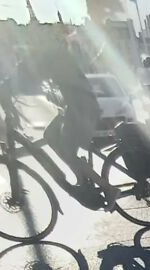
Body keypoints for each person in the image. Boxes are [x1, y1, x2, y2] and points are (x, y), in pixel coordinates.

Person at [40, 31, 119, 206]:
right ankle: (81, 172)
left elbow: (32, 75)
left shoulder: (57, 57)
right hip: (76, 106)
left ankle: (107, 187)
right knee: (50, 135)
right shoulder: (61, 55)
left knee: (67, 150)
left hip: (80, 107)